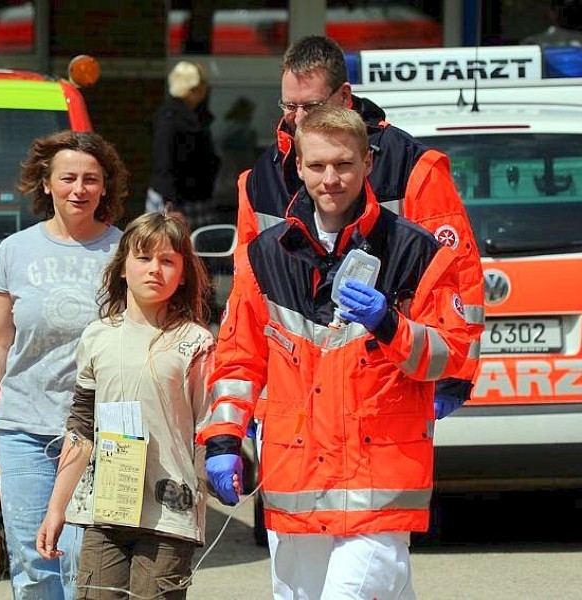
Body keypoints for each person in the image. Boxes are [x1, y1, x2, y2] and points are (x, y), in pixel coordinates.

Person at [199, 104, 472, 599]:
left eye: (344, 164)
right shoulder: (264, 256)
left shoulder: (416, 251)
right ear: (298, 167)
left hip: (378, 482)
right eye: (319, 165)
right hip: (296, 481)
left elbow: (448, 355)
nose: (331, 178)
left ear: (368, 163)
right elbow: (239, 359)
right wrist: (223, 439)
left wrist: (390, 324)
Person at [235, 36, 484, 423]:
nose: (299, 119)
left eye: (312, 106)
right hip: (294, 392)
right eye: (290, 106)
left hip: (386, 382)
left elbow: (459, 278)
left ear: (344, 95)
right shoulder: (261, 180)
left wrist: (453, 377)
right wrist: (246, 402)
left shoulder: (409, 166)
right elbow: (248, 298)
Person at [0, 130, 128, 599]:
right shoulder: (15, 251)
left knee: (81, 561)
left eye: (91, 179)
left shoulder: (127, 252)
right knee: (33, 560)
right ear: (46, 184)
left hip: (103, 433)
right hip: (24, 429)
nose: (80, 189)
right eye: (68, 177)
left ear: (105, 187)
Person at [35, 211, 215, 600]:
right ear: (121, 268)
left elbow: (209, 429)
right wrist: (56, 509)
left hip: (170, 513)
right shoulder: (97, 336)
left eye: (167, 261)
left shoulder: (196, 342)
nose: (155, 269)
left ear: (183, 274)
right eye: (143, 258)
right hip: (105, 507)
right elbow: (81, 430)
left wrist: (214, 478)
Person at [146, 60, 220, 230]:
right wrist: (171, 205)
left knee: (197, 252)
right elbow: (164, 163)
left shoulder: (195, 116)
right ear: (191, 88)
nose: (204, 89)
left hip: (195, 196)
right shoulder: (169, 119)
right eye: (201, 85)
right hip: (175, 200)